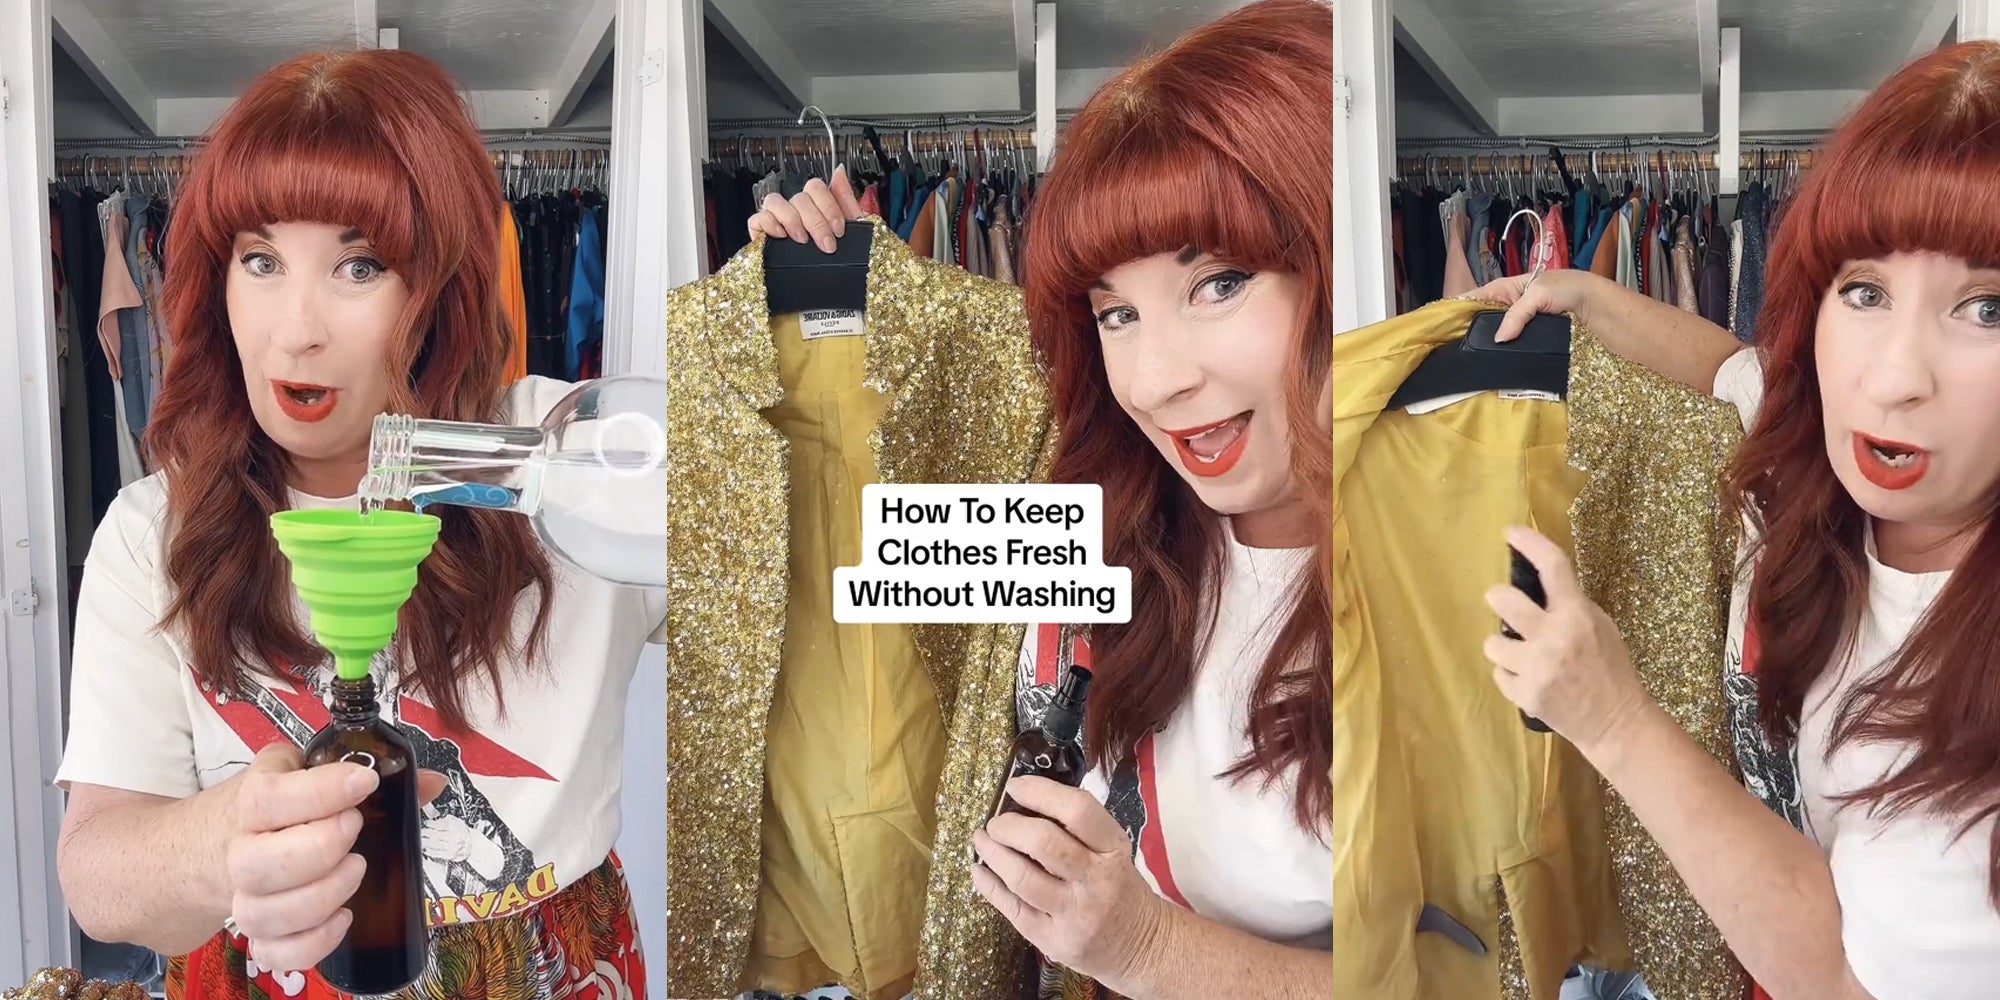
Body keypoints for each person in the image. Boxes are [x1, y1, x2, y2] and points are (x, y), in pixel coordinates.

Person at [746, 1, 1331, 996]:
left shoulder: (1451, 578)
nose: (1155, 379)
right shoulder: (1101, 514)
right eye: (1116, 312)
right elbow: (855, 585)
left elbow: (1485, 975)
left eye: (1219, 283)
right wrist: (818, 300)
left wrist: (1145, 947)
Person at [52, 50, 665, 998]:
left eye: (359, 265)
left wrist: (816, 345)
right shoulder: (154, 530)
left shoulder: (563, 458)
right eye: (260, 260)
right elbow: (98, 878)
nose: (295, 328)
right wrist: (228, 840)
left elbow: (819, 567)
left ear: (445, 287)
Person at [1471, 40, 2000, 1000]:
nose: (1893, 379)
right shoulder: (1834, 457)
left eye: (1987, 309)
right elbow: (1728, 368)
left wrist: (1614, 719)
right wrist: (1580, 294)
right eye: (1865, 290)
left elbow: (1847, 982)